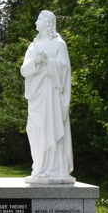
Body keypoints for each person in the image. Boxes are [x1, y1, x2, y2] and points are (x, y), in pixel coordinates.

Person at [20, 10, 74, 181]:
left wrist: (48, 61)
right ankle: (40, 166)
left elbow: (64, 69)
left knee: (51, 127)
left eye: (39, 19)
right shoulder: (33, 46)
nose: (36, 22)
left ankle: (55, 169)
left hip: (51, 94)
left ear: (47, 23)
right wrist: (35, 62)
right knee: (34, 129)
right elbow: (23, 70)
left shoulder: (59, 44)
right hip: (36, 95)